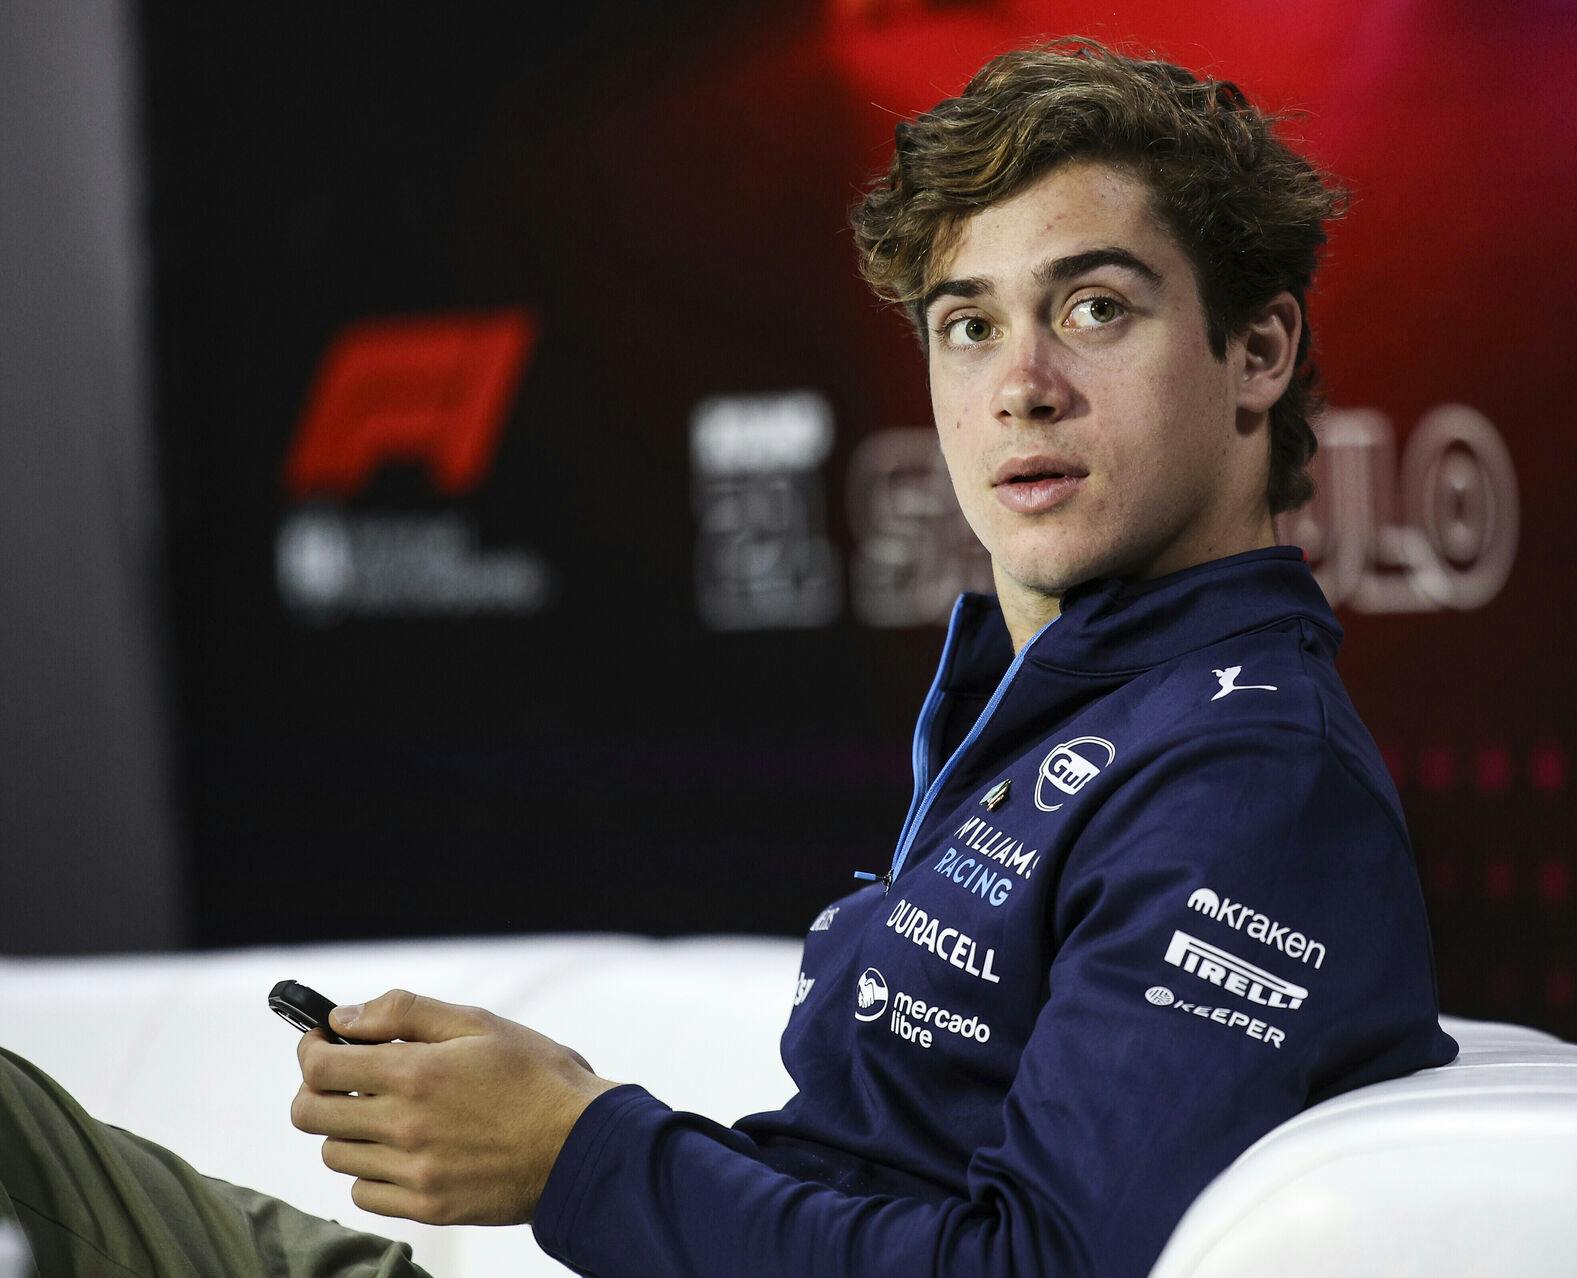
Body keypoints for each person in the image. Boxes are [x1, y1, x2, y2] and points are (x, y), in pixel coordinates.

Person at [0, 36, 1456, 1278]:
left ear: (1258, 352)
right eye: (968, 324)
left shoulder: (1251, 780)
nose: (1022, 386)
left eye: (1094, 308)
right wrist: (577, 1112)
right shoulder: (1074, 705)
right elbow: (881, 1172)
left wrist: (579, 1151)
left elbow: (1035, 1268)